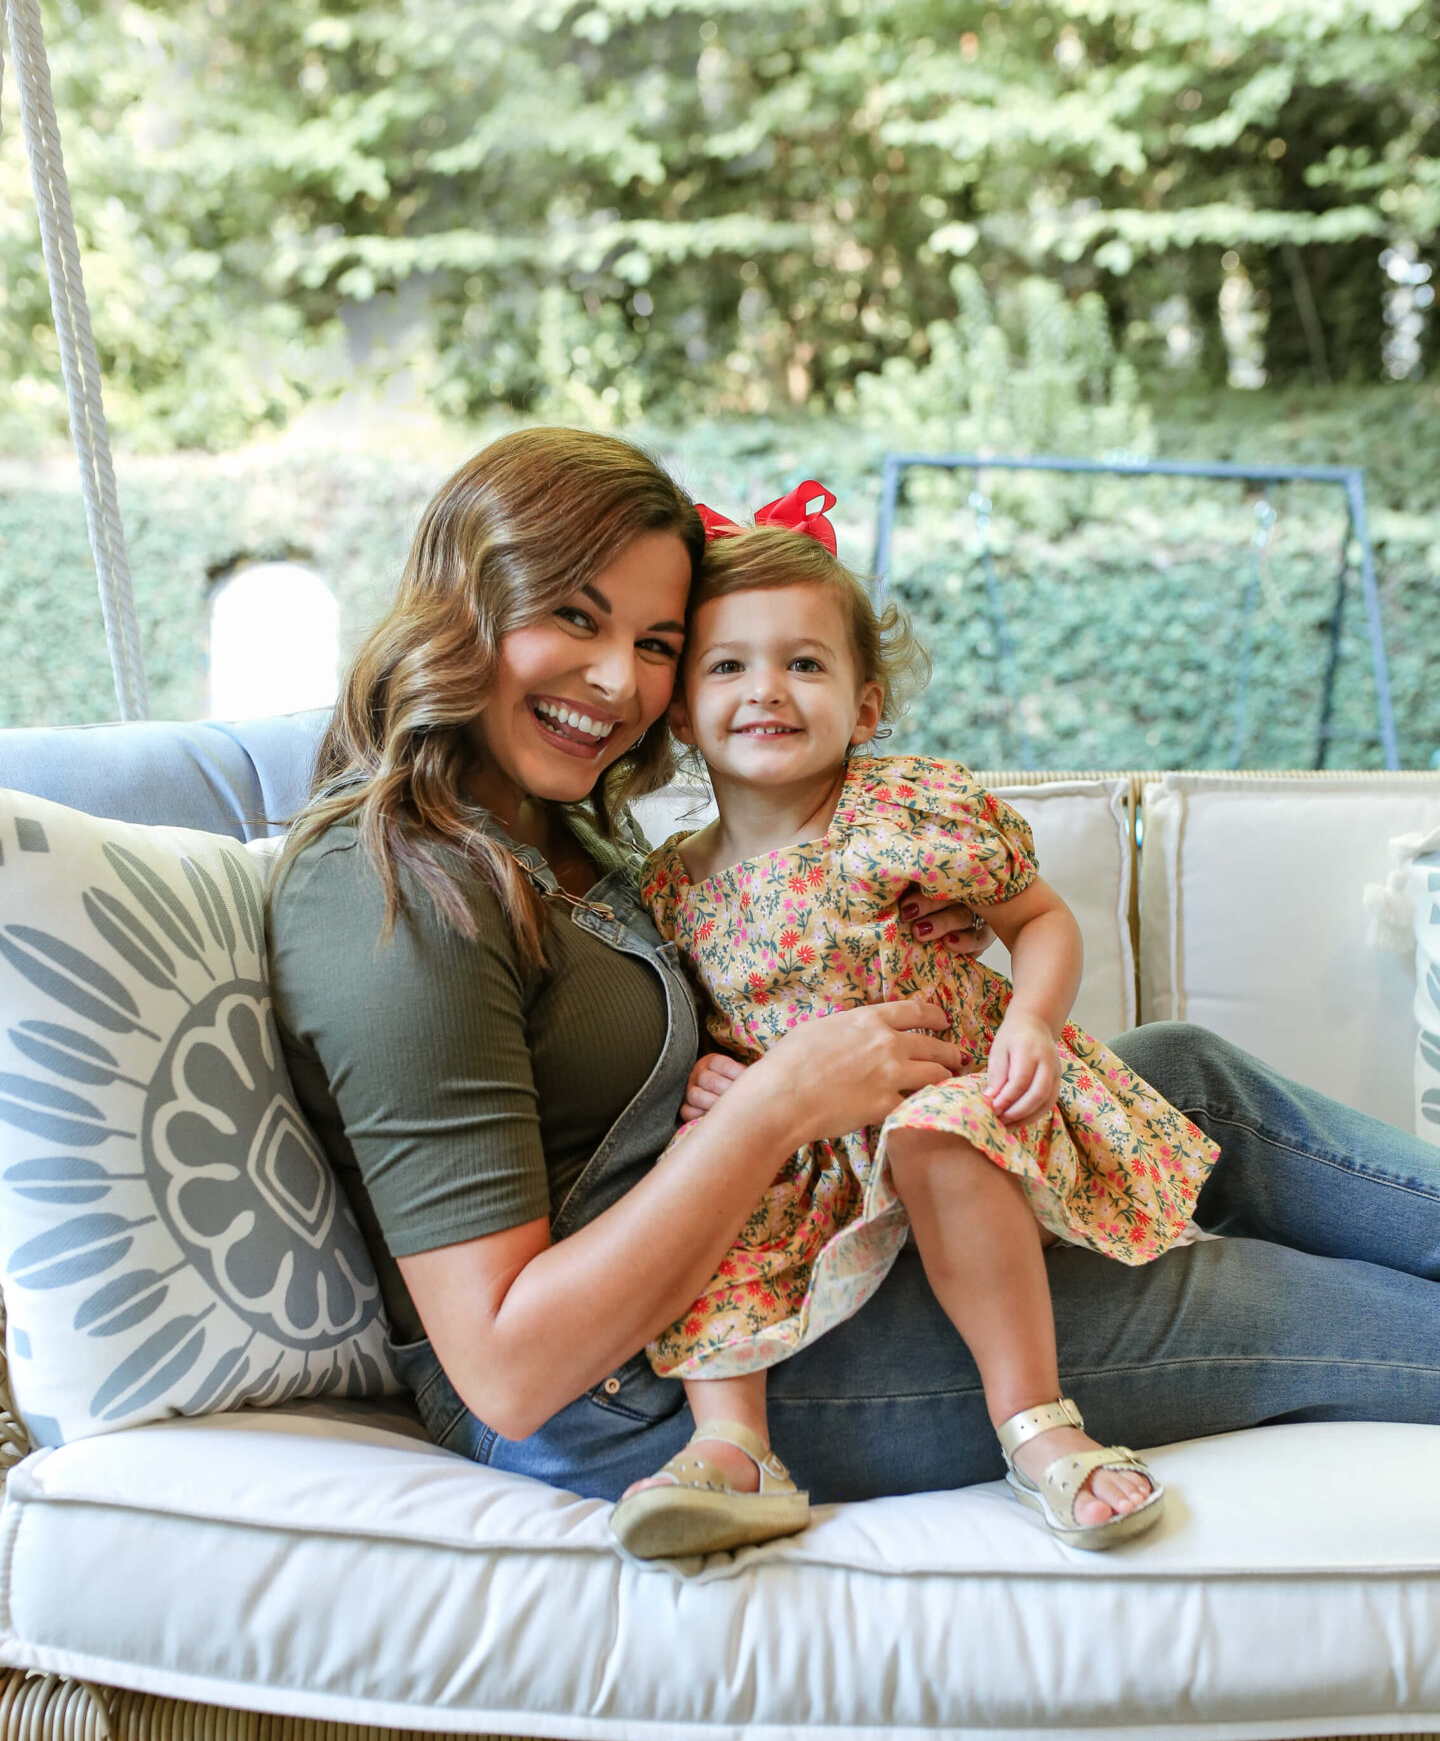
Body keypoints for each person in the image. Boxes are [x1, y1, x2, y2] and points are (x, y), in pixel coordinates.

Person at [267, 424, 1440, 1564]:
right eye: (573, 616)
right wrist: (779, 1101)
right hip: (653, 1376)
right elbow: (510, 1371)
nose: (619, 681)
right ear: (464, 603)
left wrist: (915, 961)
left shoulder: (559, 832)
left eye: (659, 641)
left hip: (823, 1206)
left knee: (1183, 1071)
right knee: (1282, 1304)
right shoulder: (395, 894)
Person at [610, 485, 1218, 1560]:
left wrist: (1033, 1021)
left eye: (806, 663)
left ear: (868, 702)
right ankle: (733, 1450)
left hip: (967, 1100)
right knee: (703, 1167)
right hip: (809, 1150)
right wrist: (711, 1075)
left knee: (938, 1128)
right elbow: (696, 1023)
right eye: (728, 666)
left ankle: (1038, 1426)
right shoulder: (669, 888)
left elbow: (1038, 919)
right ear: (678, 707)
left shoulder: (902, 812)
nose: (768, 690)